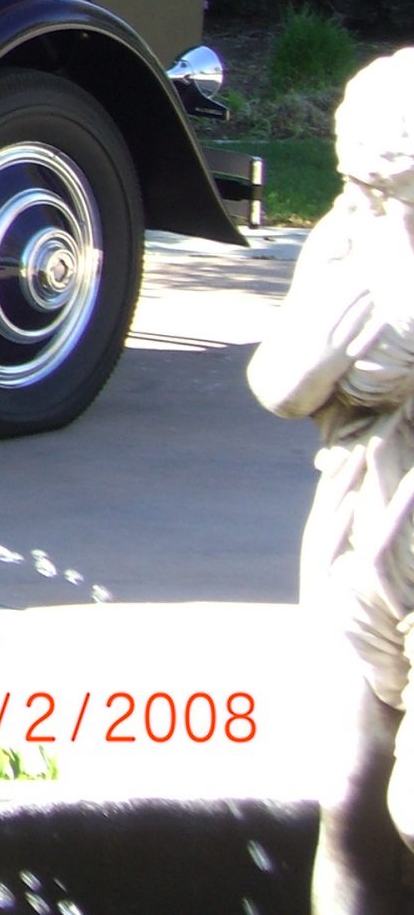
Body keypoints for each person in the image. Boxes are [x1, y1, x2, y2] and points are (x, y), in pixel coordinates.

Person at [252, 48, 414, 914]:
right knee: (349, 793)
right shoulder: (352, 241)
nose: (368, 203)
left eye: (391, 192)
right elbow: (281, 384)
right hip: (363, 532)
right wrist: (358, 322)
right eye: (362, 186)